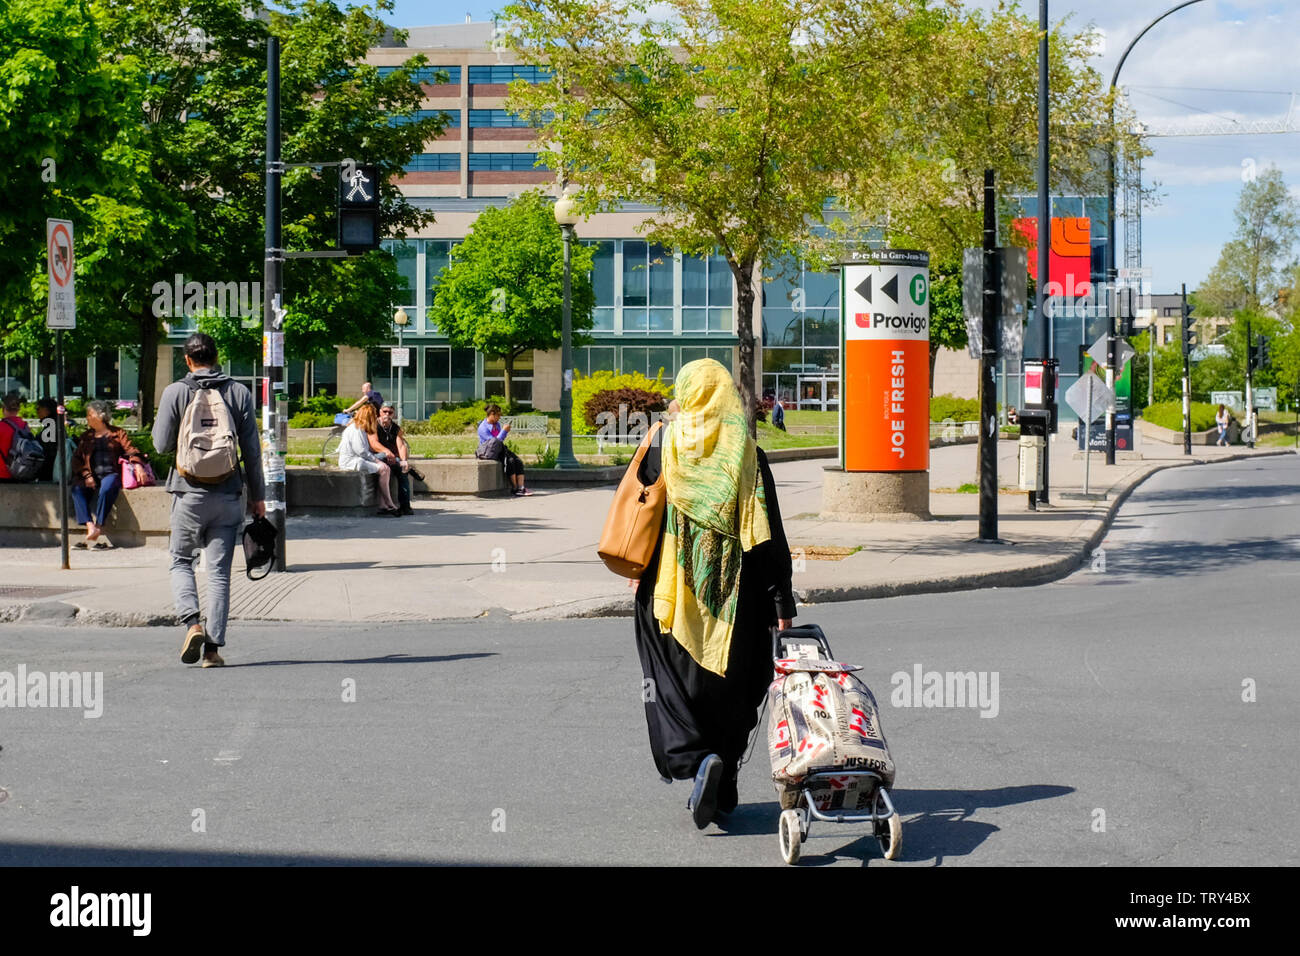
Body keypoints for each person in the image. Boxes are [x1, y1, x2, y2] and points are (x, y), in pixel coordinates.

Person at [632, 358, 796, 829]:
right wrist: (781, 600)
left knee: (668, 686)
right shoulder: (747, 452)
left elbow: (639, 512)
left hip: (670, 595)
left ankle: (696, 760)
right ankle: (721, 779)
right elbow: (769, 537)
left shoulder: (662, 445)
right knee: (737, 691)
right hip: (738, 601)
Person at [153, 332, 265, 668]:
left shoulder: (176, 392)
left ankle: (192, 624)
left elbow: (160, 445)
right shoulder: (238, 392)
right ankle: (213, 651)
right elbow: (252, 452)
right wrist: (257, 497)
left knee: (181, 561)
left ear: (187, 360)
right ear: (218, 357)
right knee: (218, 574)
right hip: (229, 493)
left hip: (188, 494)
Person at [69, 400, 148, 549]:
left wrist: (138, 464)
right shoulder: (86, 436)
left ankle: (99, 525)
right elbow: (76, 459)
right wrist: (87, 475)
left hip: (110, 473)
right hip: (91, 474)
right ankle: (89, 525)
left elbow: (130, 449)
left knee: (107, 487)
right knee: (77, 490)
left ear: (100, 416)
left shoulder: (118, 433)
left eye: (89, 414)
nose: (87, 417)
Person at [339, 401, 400, 515]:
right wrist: (377, 461)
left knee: (385, 468)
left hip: (358, 459)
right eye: (373, 416)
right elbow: (361, 451)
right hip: (352, 461)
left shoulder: (359, 428)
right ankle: (389, 503)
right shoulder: (356, 429)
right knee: (383, 469)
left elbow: (365, 450)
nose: (375, 418)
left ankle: (385, 504)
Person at [477, 403, 532, 496]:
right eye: (498, 415)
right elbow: (493, 443)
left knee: (518, 461)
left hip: (500, 449)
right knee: (509, 461)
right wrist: (504, 431)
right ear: (491, 414)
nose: (499, 417)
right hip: (489, 452)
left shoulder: (497, 424)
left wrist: (504, 431)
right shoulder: (483, 428)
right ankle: (515, 488)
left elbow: (500, 441)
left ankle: (521, 487)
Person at [375, 401, 414, 515]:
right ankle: (386, 505)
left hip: (392, 458)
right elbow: (374, 444)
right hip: (377, 456)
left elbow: (401, 445)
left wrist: (404, 461)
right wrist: (387, 452)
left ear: (394, 414)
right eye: (384, 411)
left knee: (403, 471)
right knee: (388, 459)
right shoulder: (374, 425)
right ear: (380, 412)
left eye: (390, 412)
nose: (387, 414)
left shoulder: (396, 428)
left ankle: (405, 506)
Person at [0, 391, 29, 481]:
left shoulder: (1, 426)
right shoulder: (25, 426)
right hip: (19, 473)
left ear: (3, 409)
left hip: (2, 474)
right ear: (18, 409)